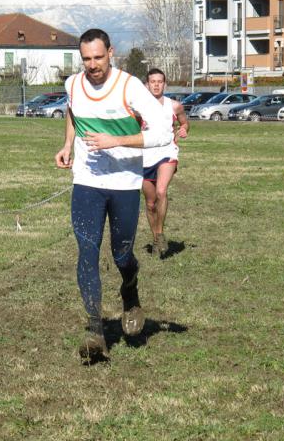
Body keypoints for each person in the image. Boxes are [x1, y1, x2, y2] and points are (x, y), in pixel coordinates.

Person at [55, 28, 173, 362]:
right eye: (86, 59)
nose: (92, 65)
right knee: (87, 249)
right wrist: (67, 145)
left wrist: (116, 140)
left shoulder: (129, 86)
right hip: (87, 181)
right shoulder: (73, 84)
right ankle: (95, 332)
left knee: (122, 255)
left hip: (124, 183)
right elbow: (72, 111)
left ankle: (130, 293)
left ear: (111, 52)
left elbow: (163, 133)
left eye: (98, 57)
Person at [142, 68, 189, 258]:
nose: (156, 84)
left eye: (159, 81)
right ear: (147, 85)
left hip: (167, 152)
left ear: (165, 84)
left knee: (161, 191)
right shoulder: (139, 107)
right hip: (144, 156)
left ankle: (160, 233)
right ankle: (155, 238)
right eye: (152, 81)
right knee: (150, 202)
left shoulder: (174, 105)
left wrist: (184, 129)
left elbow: (184, 123)